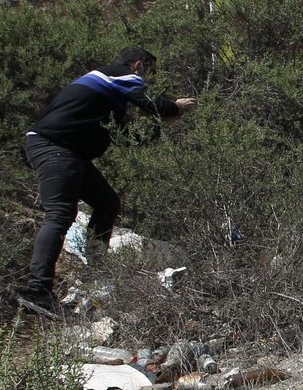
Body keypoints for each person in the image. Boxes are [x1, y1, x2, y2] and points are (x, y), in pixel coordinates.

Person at [15, 46, 196, 317]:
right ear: (138, 64)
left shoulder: (107, 94)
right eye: (150, 71)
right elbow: (153, 104)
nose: (149, 78)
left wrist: (162, 124)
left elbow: (129, 138)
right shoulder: (118, 75)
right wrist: (175, 107)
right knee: (60, 213)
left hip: (66, 152)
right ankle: (37, 290)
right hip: (55, 148)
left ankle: (95, 272)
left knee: (107, 202)